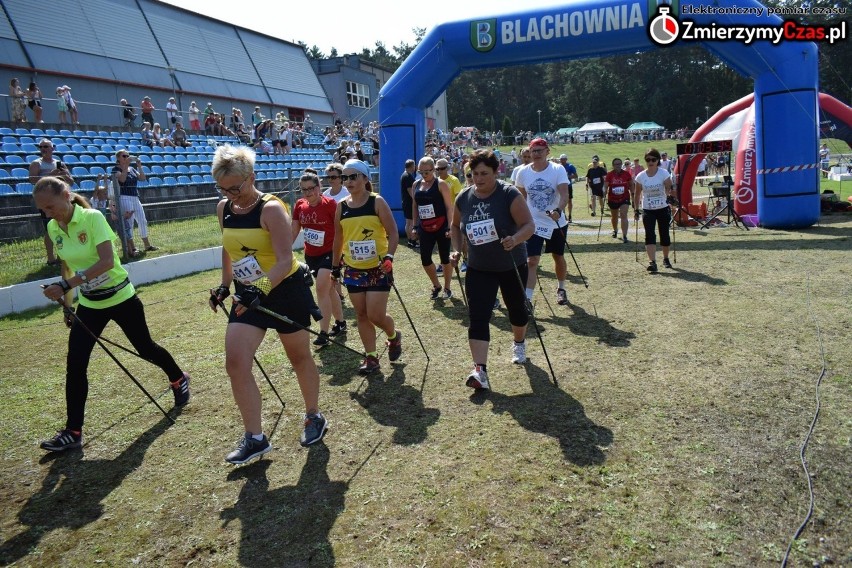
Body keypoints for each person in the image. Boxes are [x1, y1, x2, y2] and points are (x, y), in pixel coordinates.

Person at [34, 176, 190, 452]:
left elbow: (106, 261)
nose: (48, 213)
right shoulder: (53, 226)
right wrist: (68, 302)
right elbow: (67, 267)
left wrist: (67, 285)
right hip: (91, 304)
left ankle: (178, 377)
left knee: (145, 349)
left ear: (67, 195)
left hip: (121, 298)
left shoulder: (92, 218)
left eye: (51, 206)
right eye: (43, 209)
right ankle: (73, 431)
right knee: (76, 363)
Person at [208, 144, 327, 464]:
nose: (231, 194)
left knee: (299, 356)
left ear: (252, 177)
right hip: (248, 294)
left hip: (285, 290)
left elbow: (285, 258)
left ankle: (313, 415)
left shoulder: (271, 209)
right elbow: (229, 249)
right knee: (235, 361)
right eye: (223, 188)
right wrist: (224, 284)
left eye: (236, 187)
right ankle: (255, 437)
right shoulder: (224, 208)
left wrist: (258, 289)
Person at [450, 149, 535, 391]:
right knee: (477, 317)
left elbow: (529, 225)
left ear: (496, 172)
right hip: (479, 267)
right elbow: (455, 226)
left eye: (484, 173)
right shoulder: (464, 198)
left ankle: (519, 342)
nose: (478, 178)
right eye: (474, 173)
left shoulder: (508, 194)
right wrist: (457, 249)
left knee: (517, 312)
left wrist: (515, 239)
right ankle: (480, 370)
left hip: (511, 265)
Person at [331, 159, 401, 375]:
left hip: (378, 268)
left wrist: (389, 256)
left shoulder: (376, 202)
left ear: (365, 178)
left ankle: (393, 335)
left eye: (353, 176)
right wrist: (335, 267)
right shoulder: (341, 206)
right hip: (353, 269)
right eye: (345, 177)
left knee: (375, 315)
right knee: (361, 314)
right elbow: (338, 239)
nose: (349, 181)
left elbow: (394, 233)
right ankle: (371, 357)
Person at [514, 138, 571, 306]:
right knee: (532, 260)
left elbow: (564, 194)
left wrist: (559, 210)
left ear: (547, 152)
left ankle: (561, 288)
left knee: (558, 256)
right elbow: (520, 198)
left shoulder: (557, 169)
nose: (537, 154)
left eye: (540, 150)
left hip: (556, 223)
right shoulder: (522, 173)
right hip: (533, 224)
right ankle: (528, 299)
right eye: (534, 151)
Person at [292, 172, 346, 344]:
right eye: (304, 189)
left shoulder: (331, 205)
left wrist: (340, 254)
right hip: (311, 255)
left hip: (330, 252)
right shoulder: (300, 205)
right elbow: (293, 231)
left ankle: (323, 332)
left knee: (322, 288)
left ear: (319, 187)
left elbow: (340, 231)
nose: (308, 192)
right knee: (329, 290)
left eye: (311, 188)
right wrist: (284, 250)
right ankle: (341, 322)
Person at [411, 157, 453, 299]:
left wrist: (450, 226)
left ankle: (447, 287)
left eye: (427, 172)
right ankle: (436, 285)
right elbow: (415, 206)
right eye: (420, 172)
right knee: (425, 258)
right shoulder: (416, 184)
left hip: (442, 225)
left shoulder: (441, 184)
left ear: (433, 170)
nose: (424, 175)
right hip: (425, 226)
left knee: (445, 258)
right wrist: (415, 226)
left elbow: (449, 207)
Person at [30, 138, 74, 265]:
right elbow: (33, 180)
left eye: (46, 146)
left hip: (60, 200)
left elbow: (71, 182)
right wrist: (51, 174)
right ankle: (51, 258)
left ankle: (63, 255)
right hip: (46, 202)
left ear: (52, 148)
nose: (43, 149)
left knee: (63, 227)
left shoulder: (59, 163)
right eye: (41, 147)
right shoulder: (36, 163)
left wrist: (65, 174)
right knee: (50, 229)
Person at [634, 148, 676, 272]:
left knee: (664, 234)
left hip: (662, 208)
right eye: (648, 160)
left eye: (653, 159)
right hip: (648, 209)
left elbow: (669, 188)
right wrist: (636, 210)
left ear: (657, 160)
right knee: (649, 235)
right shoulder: (640, 176)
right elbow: (637, 194)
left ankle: (666, 258)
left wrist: (670, 196)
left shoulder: (663, 173)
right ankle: (652, 262)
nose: (650, 162)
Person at [111, 149, 157, 256]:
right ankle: (132, 248)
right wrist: (126, 166)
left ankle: (147, 244)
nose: (126, 157)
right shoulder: (115, 169)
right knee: (130, 222)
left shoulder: (132, 169)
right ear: (118, 158)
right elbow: (121, 180)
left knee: (142, 219)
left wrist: (139, 166)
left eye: (127, 155)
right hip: (124, 196)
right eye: (124, 156)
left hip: (135, 196)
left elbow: (142, 178)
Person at [604, 158, 634, 243]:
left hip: (624, 197)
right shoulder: (609, 174)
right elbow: (606, 185)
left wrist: (633, 193)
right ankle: (615, 230)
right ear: (613, 165)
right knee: (614, 216)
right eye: (616, 164)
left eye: (619, 164)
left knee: (623, 215)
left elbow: (631, 184)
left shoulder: (626, 174)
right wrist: (604, 191)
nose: (618, 166)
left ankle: (624, 235)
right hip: (612, 198)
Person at [400, 159, 418, 249]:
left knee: (408, 223)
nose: (415, 167)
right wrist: (416, 200)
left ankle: (410, 241)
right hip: (409, 202)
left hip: (406, 202)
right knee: (410, 223)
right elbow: (410, 190)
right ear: (411, 166)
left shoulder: (404, 175)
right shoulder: (407, 176)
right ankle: (412, 241)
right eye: (414, 165)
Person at [558, 154, 578, 222]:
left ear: (566, 159)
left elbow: (576, 176)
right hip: (560, 187)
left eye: (563, 159)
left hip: (568, 186)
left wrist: (567, 176)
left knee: (569, 200)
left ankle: (570, 215)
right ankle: (563, 215)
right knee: (561, 200)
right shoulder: (558, 167)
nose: (562, 161)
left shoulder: (570, 166)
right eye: (561, 159)